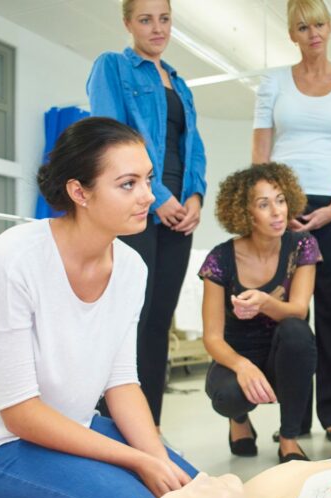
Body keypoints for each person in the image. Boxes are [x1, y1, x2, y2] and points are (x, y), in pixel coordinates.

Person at [0, 117, 198, 498]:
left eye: (148, 180)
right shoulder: (13, 260)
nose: (148, 196)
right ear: (80, 192)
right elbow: (20, 414)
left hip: (70, 428)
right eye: (127, 184)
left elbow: (122, 382)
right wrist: (137, 462)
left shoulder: (131, 269)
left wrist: (154, 459)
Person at [252, 0, 331, 445]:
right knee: (289, 311)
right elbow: (260, 151)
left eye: (319, 24)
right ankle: (294, 418)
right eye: (303, 27)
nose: (313, 33)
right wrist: (267, 206)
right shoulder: (273, 82)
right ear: (292, 34)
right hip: (284, 205)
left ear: (330, 27)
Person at [87, 0, 207, 426]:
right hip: (136, 209)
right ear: (127, 23)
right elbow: (110, 138)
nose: (157, 28)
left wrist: (194, 196)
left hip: (179, 216)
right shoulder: (113, 68)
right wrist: (157, 195)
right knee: (127, 325)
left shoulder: (179, 83)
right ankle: (110, 431)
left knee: (158, 325)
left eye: (164, 19)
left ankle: (147, 429)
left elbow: (194, 149)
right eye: (145, 19)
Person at [200, 163, 320, 463]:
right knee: (227, 396)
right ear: (245, 212)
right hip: (235, 354)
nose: (277, 212)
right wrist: (242, 366)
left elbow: (298, 311)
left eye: (280, 200)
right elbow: (212, 338)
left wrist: (264, 302)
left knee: (297, 331)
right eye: (264, 205)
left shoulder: (302, 245)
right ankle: (239, 420)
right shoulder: (220, 258)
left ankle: (289, 438)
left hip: (281, 354)